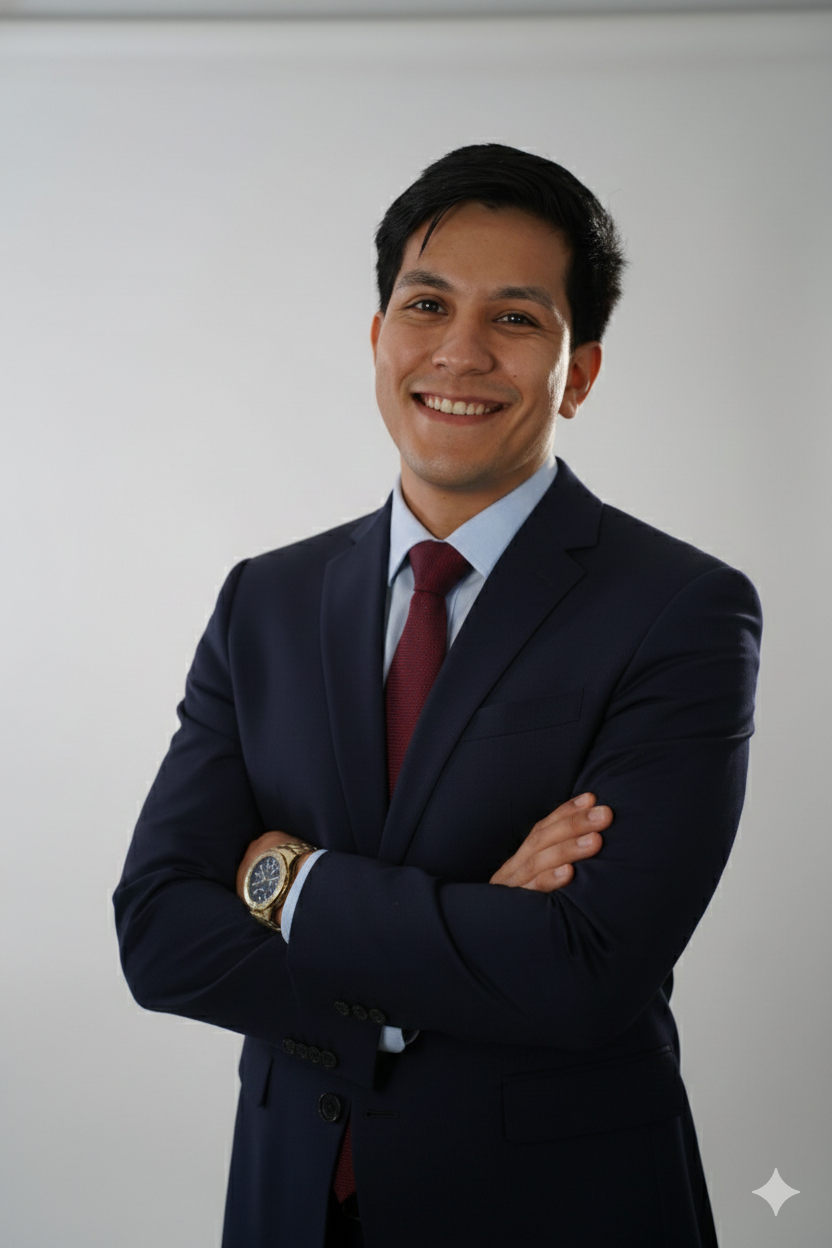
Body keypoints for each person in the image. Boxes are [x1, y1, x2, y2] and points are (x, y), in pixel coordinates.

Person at [114, 144, 761, 1248]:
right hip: (291, 1198)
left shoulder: (680, 609)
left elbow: (583, 972)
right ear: (378, 338)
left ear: (581, 370)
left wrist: (288, 881)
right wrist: (473, 927)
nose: (459, 352)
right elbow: (161, 932)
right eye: (426, 303)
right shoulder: (265, 599)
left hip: (559, 1207)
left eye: (516, 319)